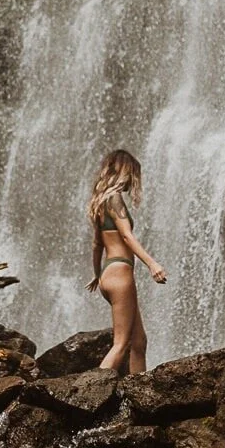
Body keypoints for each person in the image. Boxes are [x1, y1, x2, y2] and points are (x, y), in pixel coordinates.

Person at [87, 149, 167, 374]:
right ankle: (87, 391)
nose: (133, 181)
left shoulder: (99, 202)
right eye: (133, 174)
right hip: (120, 273)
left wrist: (96, 274)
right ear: (125, 171)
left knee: (139, 342)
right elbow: (126, 236)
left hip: (108, 274)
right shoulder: (114, 199)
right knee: (120, 345)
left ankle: (139, 390)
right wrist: (152, 264)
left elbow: (97, 244)